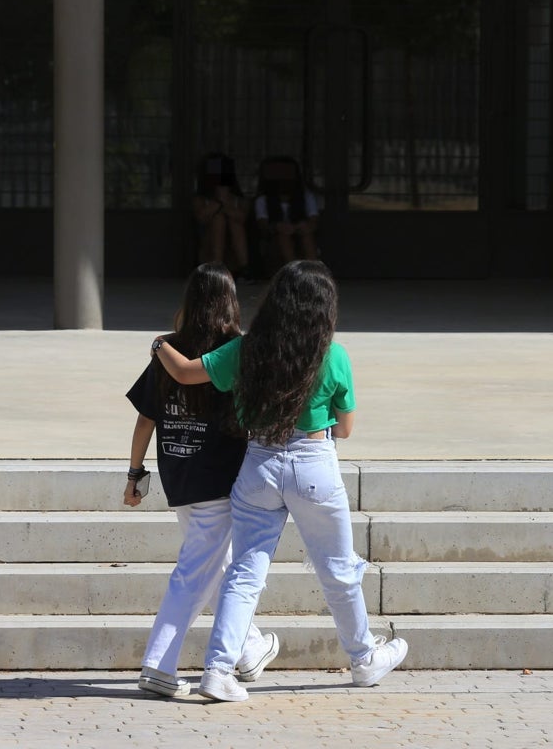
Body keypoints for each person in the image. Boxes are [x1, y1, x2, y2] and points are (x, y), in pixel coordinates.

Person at [153, 259, 407, 703]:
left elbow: (186, 371)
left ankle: (217, 670)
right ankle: (364, 658)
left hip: (258, 466)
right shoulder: (334, 356)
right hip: (314, 465)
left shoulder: (248, 350)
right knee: (337, 569)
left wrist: (159, 344)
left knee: (245, 572)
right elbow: (345, 429)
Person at [123, 262, 279, 698]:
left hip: (179, 477)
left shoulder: (167, 352)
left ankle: (247, 650)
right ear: (230, 302)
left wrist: (135, 474)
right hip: (219, 481)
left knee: (215, 565)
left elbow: (145, 420)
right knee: (196, 572)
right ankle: (158, 666)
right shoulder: (234, 350)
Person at [253, 156, 319, 268]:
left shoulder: (306, 197)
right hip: (275, 240)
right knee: (283, 236)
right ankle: (293, 272)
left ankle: (314, 271)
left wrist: (303, 226)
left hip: (300, 234)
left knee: (307, 235)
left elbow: (314, 221)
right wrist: (277, 227)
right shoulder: (262, 200)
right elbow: (262, 225)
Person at [192, 152, 251, 278]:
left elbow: (243, 218)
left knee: (234, 222)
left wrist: (225, 204)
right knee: (219, 219)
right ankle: (217, 267)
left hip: (233, 250)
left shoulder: (238, 200)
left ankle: (245, 268)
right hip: (209, 250)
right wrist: (218, 203)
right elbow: (201, 218)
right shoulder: (201, 199)